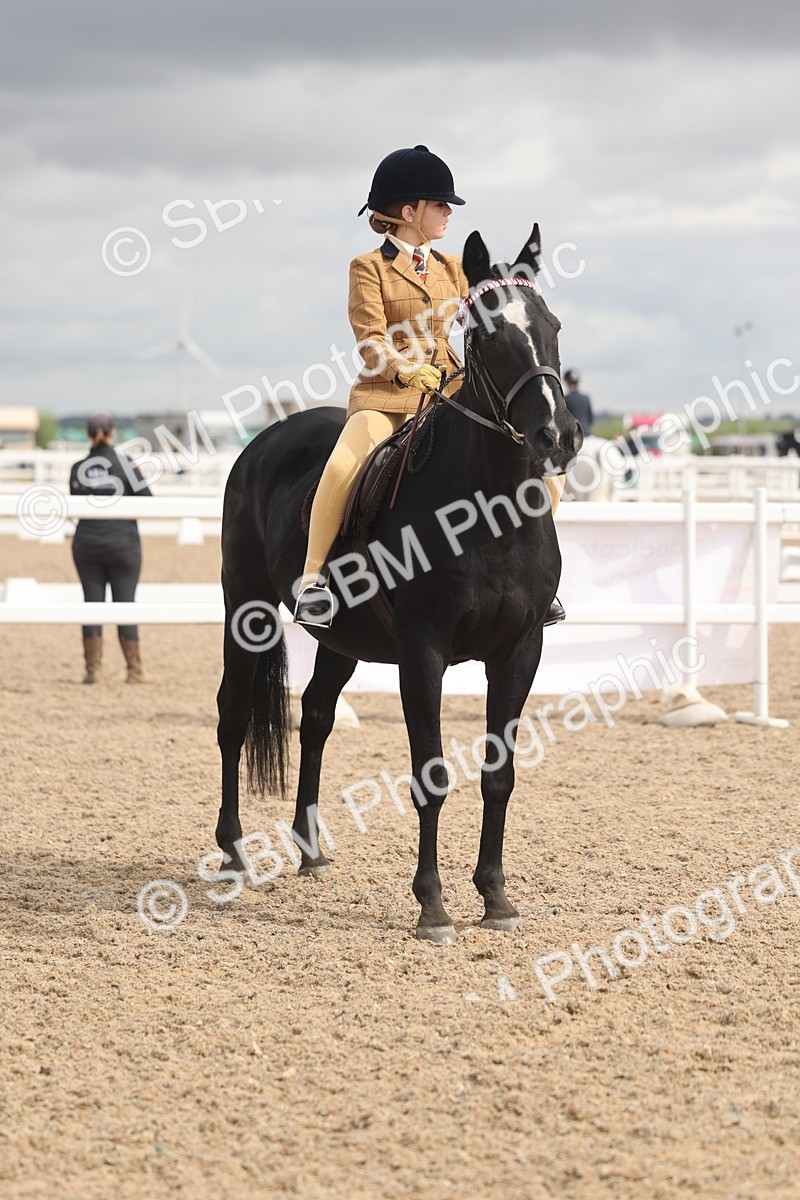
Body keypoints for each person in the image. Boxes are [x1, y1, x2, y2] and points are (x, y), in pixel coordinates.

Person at [294, 145, 564, 627]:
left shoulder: (454, 268)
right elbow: (370, 338)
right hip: (387, 396)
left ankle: (534, 578)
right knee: (342, 467)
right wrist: (404, 368)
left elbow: (489, 310)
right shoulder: (368, 267)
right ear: (408, 213)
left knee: (542, 467)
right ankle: (315, 581)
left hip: (450, 393)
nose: (448, 213)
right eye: (440, 205)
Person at [69, 413, 151, 683]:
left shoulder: (78, 468)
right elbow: (148, 500)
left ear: (88, 434)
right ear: (113, 433)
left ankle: (92, 670)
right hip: (123, 544)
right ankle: (134, 670)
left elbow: (75, 500)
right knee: (125, 603)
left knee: (91, 603)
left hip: (87, 544)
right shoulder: (126, 464)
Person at [563, 368, 594, 436]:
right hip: (587, 433)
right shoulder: (585, 398)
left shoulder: (565, 399)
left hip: (572, 435)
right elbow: (591, 418)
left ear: (567, 382)